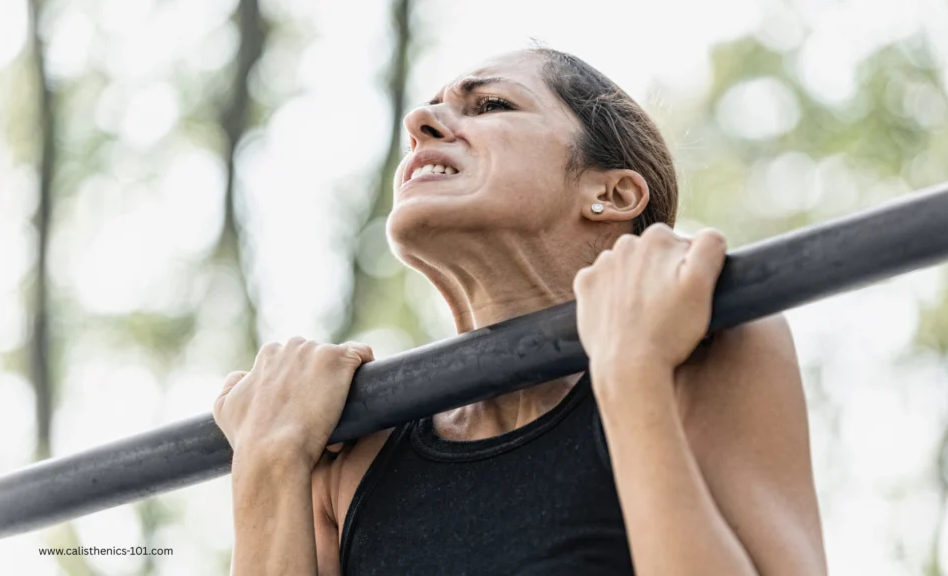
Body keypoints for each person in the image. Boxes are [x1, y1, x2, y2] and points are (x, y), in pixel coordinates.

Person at [212, 47, 827, 575]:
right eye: (431, 110)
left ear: (611, 193)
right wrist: (268, 458)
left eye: (490, 105)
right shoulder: (353, 452)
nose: (419, 121)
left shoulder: (705, 347)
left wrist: (633, 373)